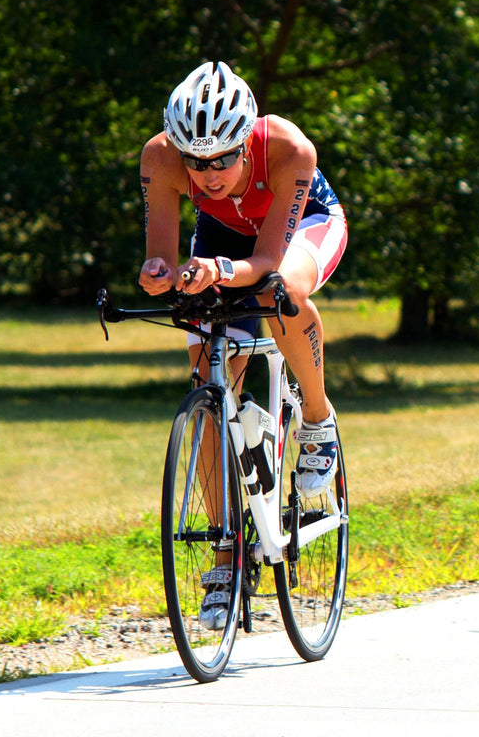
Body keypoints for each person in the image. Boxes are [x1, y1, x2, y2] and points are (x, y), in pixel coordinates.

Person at [138, 61, 348, 628]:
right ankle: (227, 554)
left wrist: (216, 268)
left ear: (246, 139)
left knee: (282, 292)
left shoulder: (288, 149)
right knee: (207, 362)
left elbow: (264, 263)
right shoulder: (160, 157)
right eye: (197, 161)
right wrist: (161, 272)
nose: (210, 174)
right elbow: (161, 250)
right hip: (222, 238)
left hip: (299, 227)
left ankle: (317, 415)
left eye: (225, 157)